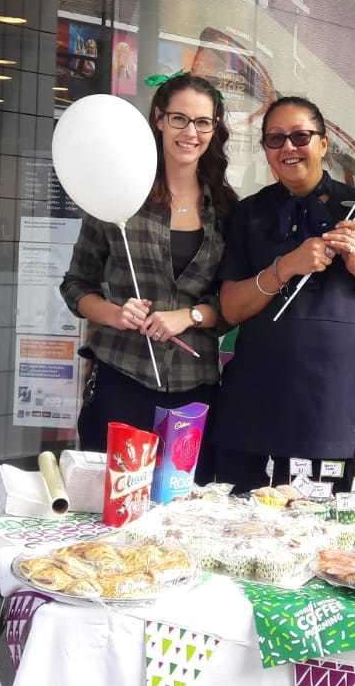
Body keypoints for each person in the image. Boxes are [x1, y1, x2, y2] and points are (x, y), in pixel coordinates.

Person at [211, 96, 355, 486]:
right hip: (259, 398)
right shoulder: (248, 213)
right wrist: (286, 266)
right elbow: (231, 308)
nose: (288, 147)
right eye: (275, 139)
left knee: (334, 532)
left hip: (338, 403)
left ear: (323, 144)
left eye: (301, 136)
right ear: (266, 151)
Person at [60, 74, 235, 451]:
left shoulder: (226, 209)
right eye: (179, 119)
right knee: (116, 502)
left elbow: (234, 303)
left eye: (203, 122)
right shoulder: (120, 193)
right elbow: (75, 285)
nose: (191, 132)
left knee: (186, 506)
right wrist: (114, 314)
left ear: (214, 128)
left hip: (195, 386)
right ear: (158, 118)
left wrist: (190, 316)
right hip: (122, 377)